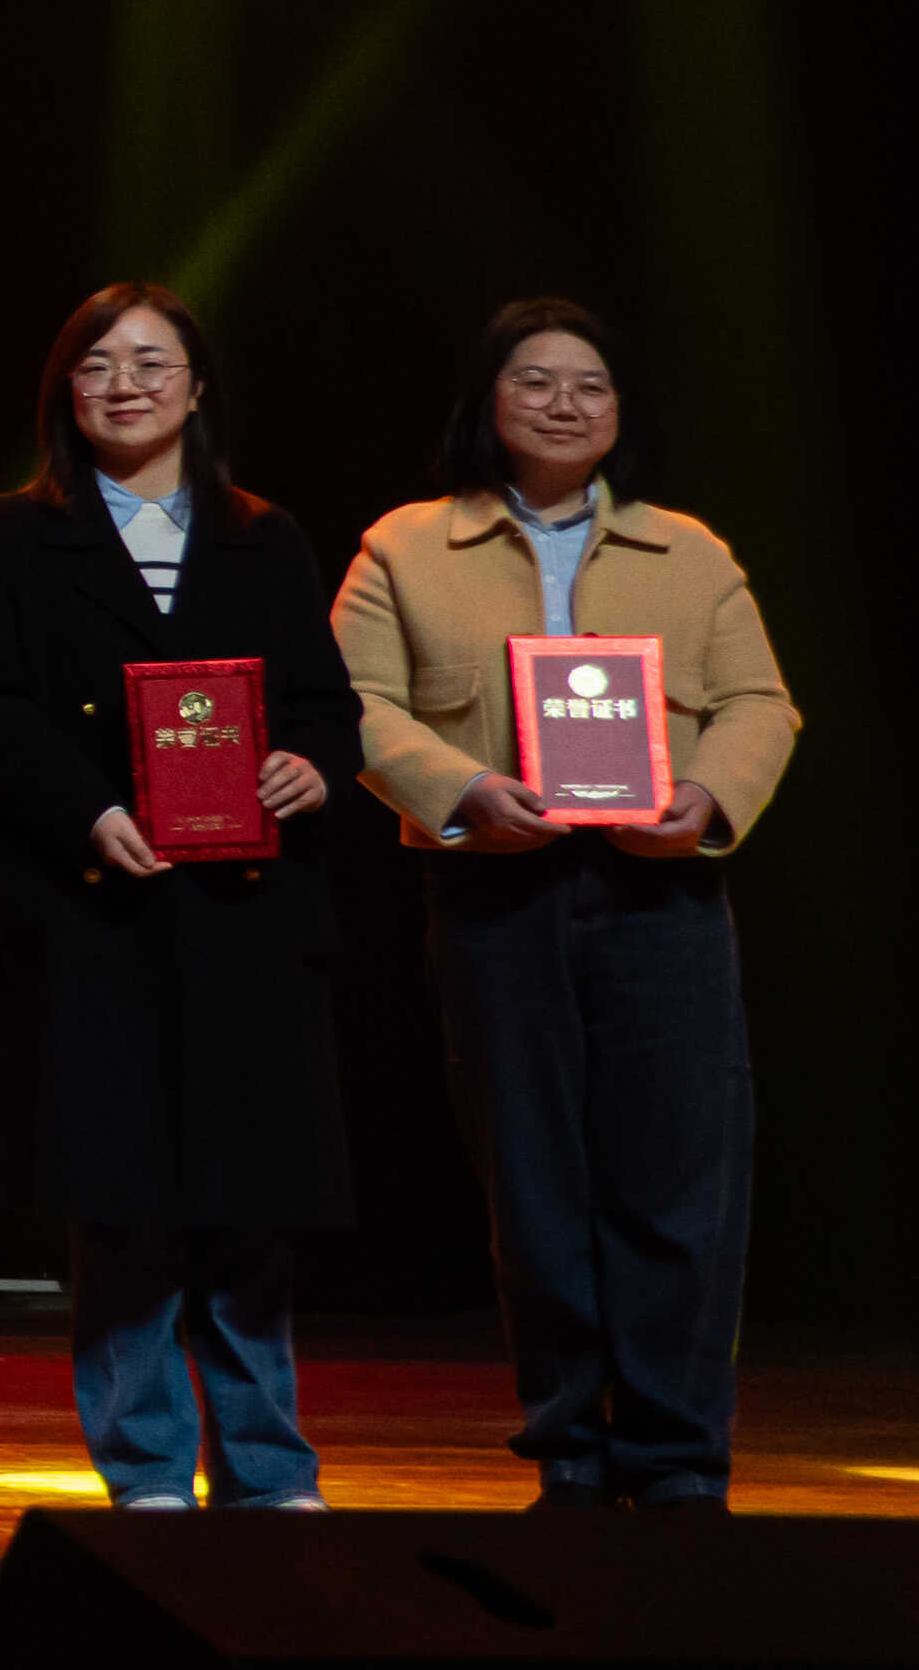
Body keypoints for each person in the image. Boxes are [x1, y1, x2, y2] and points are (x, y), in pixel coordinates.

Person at [336, 297, 795, 1514]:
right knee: (535, 1185)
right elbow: (355, 701)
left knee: (679, 1181)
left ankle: (677, 1458)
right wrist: (462, 789)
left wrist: (705, 796)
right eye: (534, 381)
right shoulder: (405, 546)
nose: (563, 404)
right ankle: (571, 1450)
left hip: (661, 895)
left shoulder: (689, 552)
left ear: (620, 412)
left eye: (590, 386)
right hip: (497, 893)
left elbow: (760, 703)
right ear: (487, 401)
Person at [0, 282, 355, 1514]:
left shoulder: (264, 536)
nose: (125, 385)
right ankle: (146, 1469)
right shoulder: (16, 538)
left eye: (151, 362)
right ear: (64, 394)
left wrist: (308, 763)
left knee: (250, 1206)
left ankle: (269, 1468)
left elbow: (325, 700)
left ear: (198, 385)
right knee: (119, 1206)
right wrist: (85, 811)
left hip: (243, 923)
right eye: (97, 366)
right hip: (93, 916)